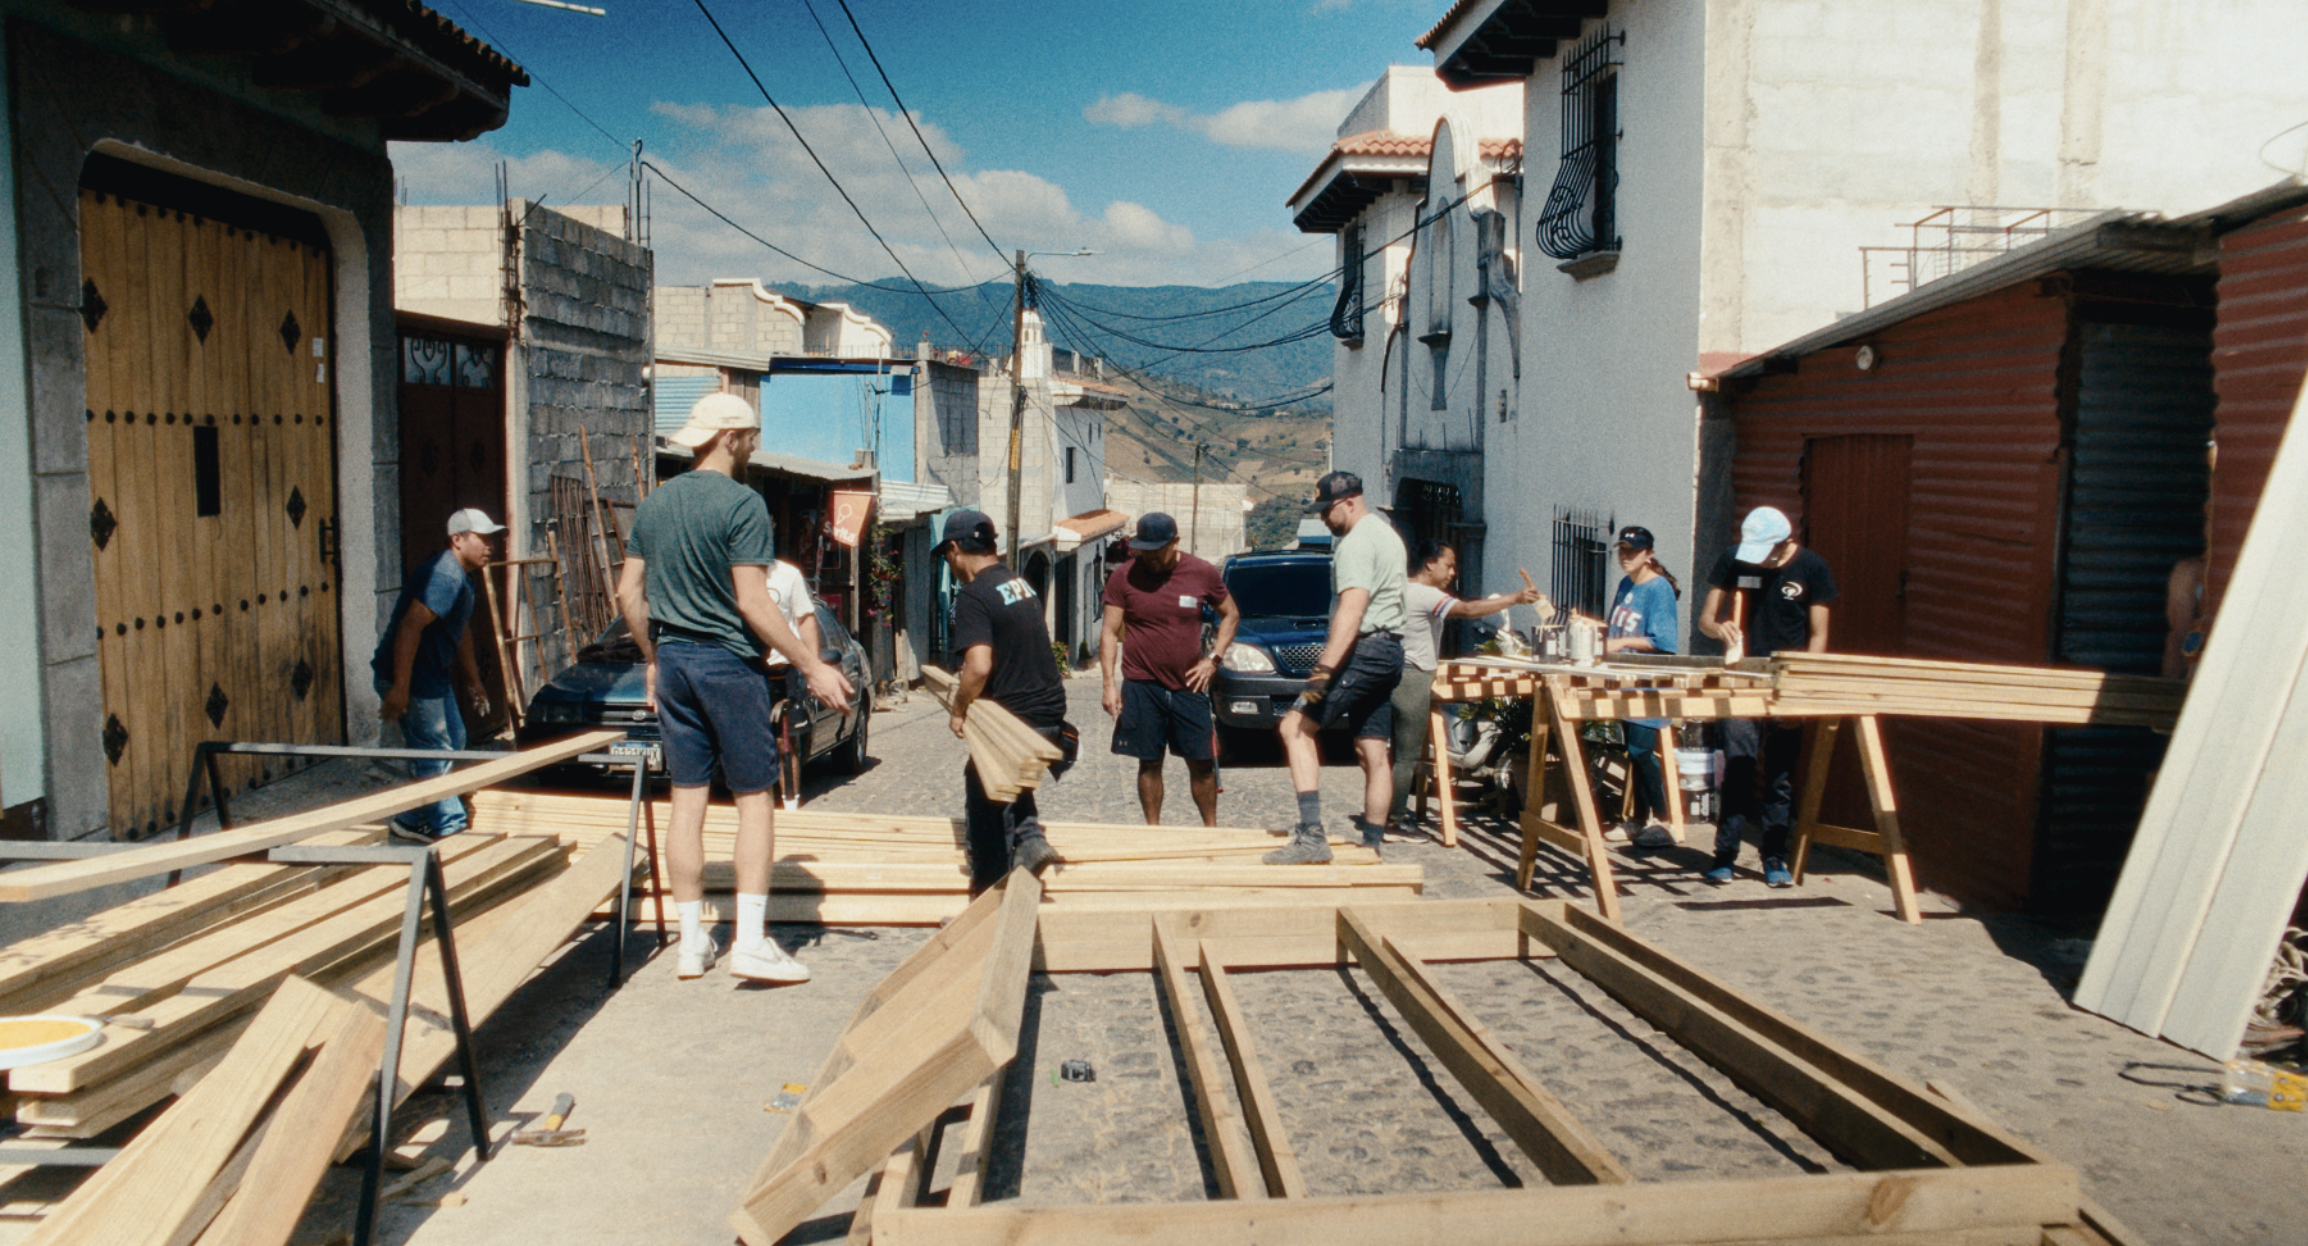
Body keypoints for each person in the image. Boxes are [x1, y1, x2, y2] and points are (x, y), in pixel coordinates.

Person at [617, 392, 855, 982]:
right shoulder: (744, 504)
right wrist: (811, 664)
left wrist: (653, 655)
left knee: (688, 801)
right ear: (728, 437)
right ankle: (749, 942)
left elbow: (628, 595)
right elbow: (752, 601)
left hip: (673, 662)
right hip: (727, 664)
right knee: (754, 799)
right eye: (750, 436)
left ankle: (692, 942)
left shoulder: (655, 504)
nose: (753, 446)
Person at [1268, 471, 1407, 864]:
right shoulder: (1387, 534)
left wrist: (1324, 669)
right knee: (1373, 750)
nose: (1324, 519)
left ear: (1350, 502)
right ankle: (1373, 846)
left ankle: (1311, 837)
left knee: (1294, 727)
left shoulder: (1356, 544)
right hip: (1389, 654)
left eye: (1327, 510)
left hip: (1359, 655)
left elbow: (1352, 609)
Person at [1696, 506, 1836, 887]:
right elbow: (1706, 618)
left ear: (1786, 542)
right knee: (1738, 766)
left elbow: (1819, 636)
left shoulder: (1812, 568)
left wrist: (1801, 693)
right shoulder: (1734, 558)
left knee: (1779, 775)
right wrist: (1718, 628)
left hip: (1786, 682)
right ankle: (1724, 855)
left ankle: (1774, 857)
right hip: (1741, 678)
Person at [939, 508, 1067, 892]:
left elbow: (978, 667)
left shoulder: (974, 596)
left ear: (956, 548)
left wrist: (959, 709)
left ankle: (987, 904)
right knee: (1011, 788)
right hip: (1049, 714)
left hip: (1015, 720)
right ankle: (1031, 841)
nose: (950, 563)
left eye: (947, 555)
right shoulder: (1019, 583)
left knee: (987, 812)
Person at [1387, 541, 1545, 837]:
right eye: (1448, 565)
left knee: (1396, 753)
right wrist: (1515, 598)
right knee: (1407, 756)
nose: (1453, 573)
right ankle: (1395, 820)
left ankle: (1386, 813)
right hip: (1414, 676)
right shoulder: (1426, 594)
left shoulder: (1402, 588)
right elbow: (1468, 609)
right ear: (1429, 564)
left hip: (1400, 673)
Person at [1100, 513, 1241, 826]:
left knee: (1202, 764)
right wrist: (1109, 685)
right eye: (1143, 551)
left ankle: (1210, 830)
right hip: (1140, 685)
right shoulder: (1123, 576)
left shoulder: (1201, 572)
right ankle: (1153, 830)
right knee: (1148, 763)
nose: (1149, 557)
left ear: (1175, 542)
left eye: (1156, 550)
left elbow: (1230, 614)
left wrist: (1214, 659)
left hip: (1188, 687)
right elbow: (1110, 632)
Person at [371, 508, 502, 843]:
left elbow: (460, 633)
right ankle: (451, 830)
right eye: (482, 539)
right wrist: (400, 688)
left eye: (492, 539)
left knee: (454, 741)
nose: (490, 546)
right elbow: (410, 626)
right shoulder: (445, 576)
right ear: (457, 540)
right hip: (411, 677)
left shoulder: (464, 577)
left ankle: (412, 819)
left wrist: (474, 680)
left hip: (430, 675)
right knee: (434, 749)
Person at [1602, 526, 1681, 850]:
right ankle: (1637, 819)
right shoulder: (1624, 584)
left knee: (1641, 750)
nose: (1625, 558)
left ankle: (1665, 821)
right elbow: (1614, 626)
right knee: (1631, 752)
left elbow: (1663, 642)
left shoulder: (1658, 589)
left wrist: (1622, 642)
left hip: (1648, 684)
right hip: (1624, 681)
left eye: (1632, 552)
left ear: (1648, 554)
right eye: (1621, 551)